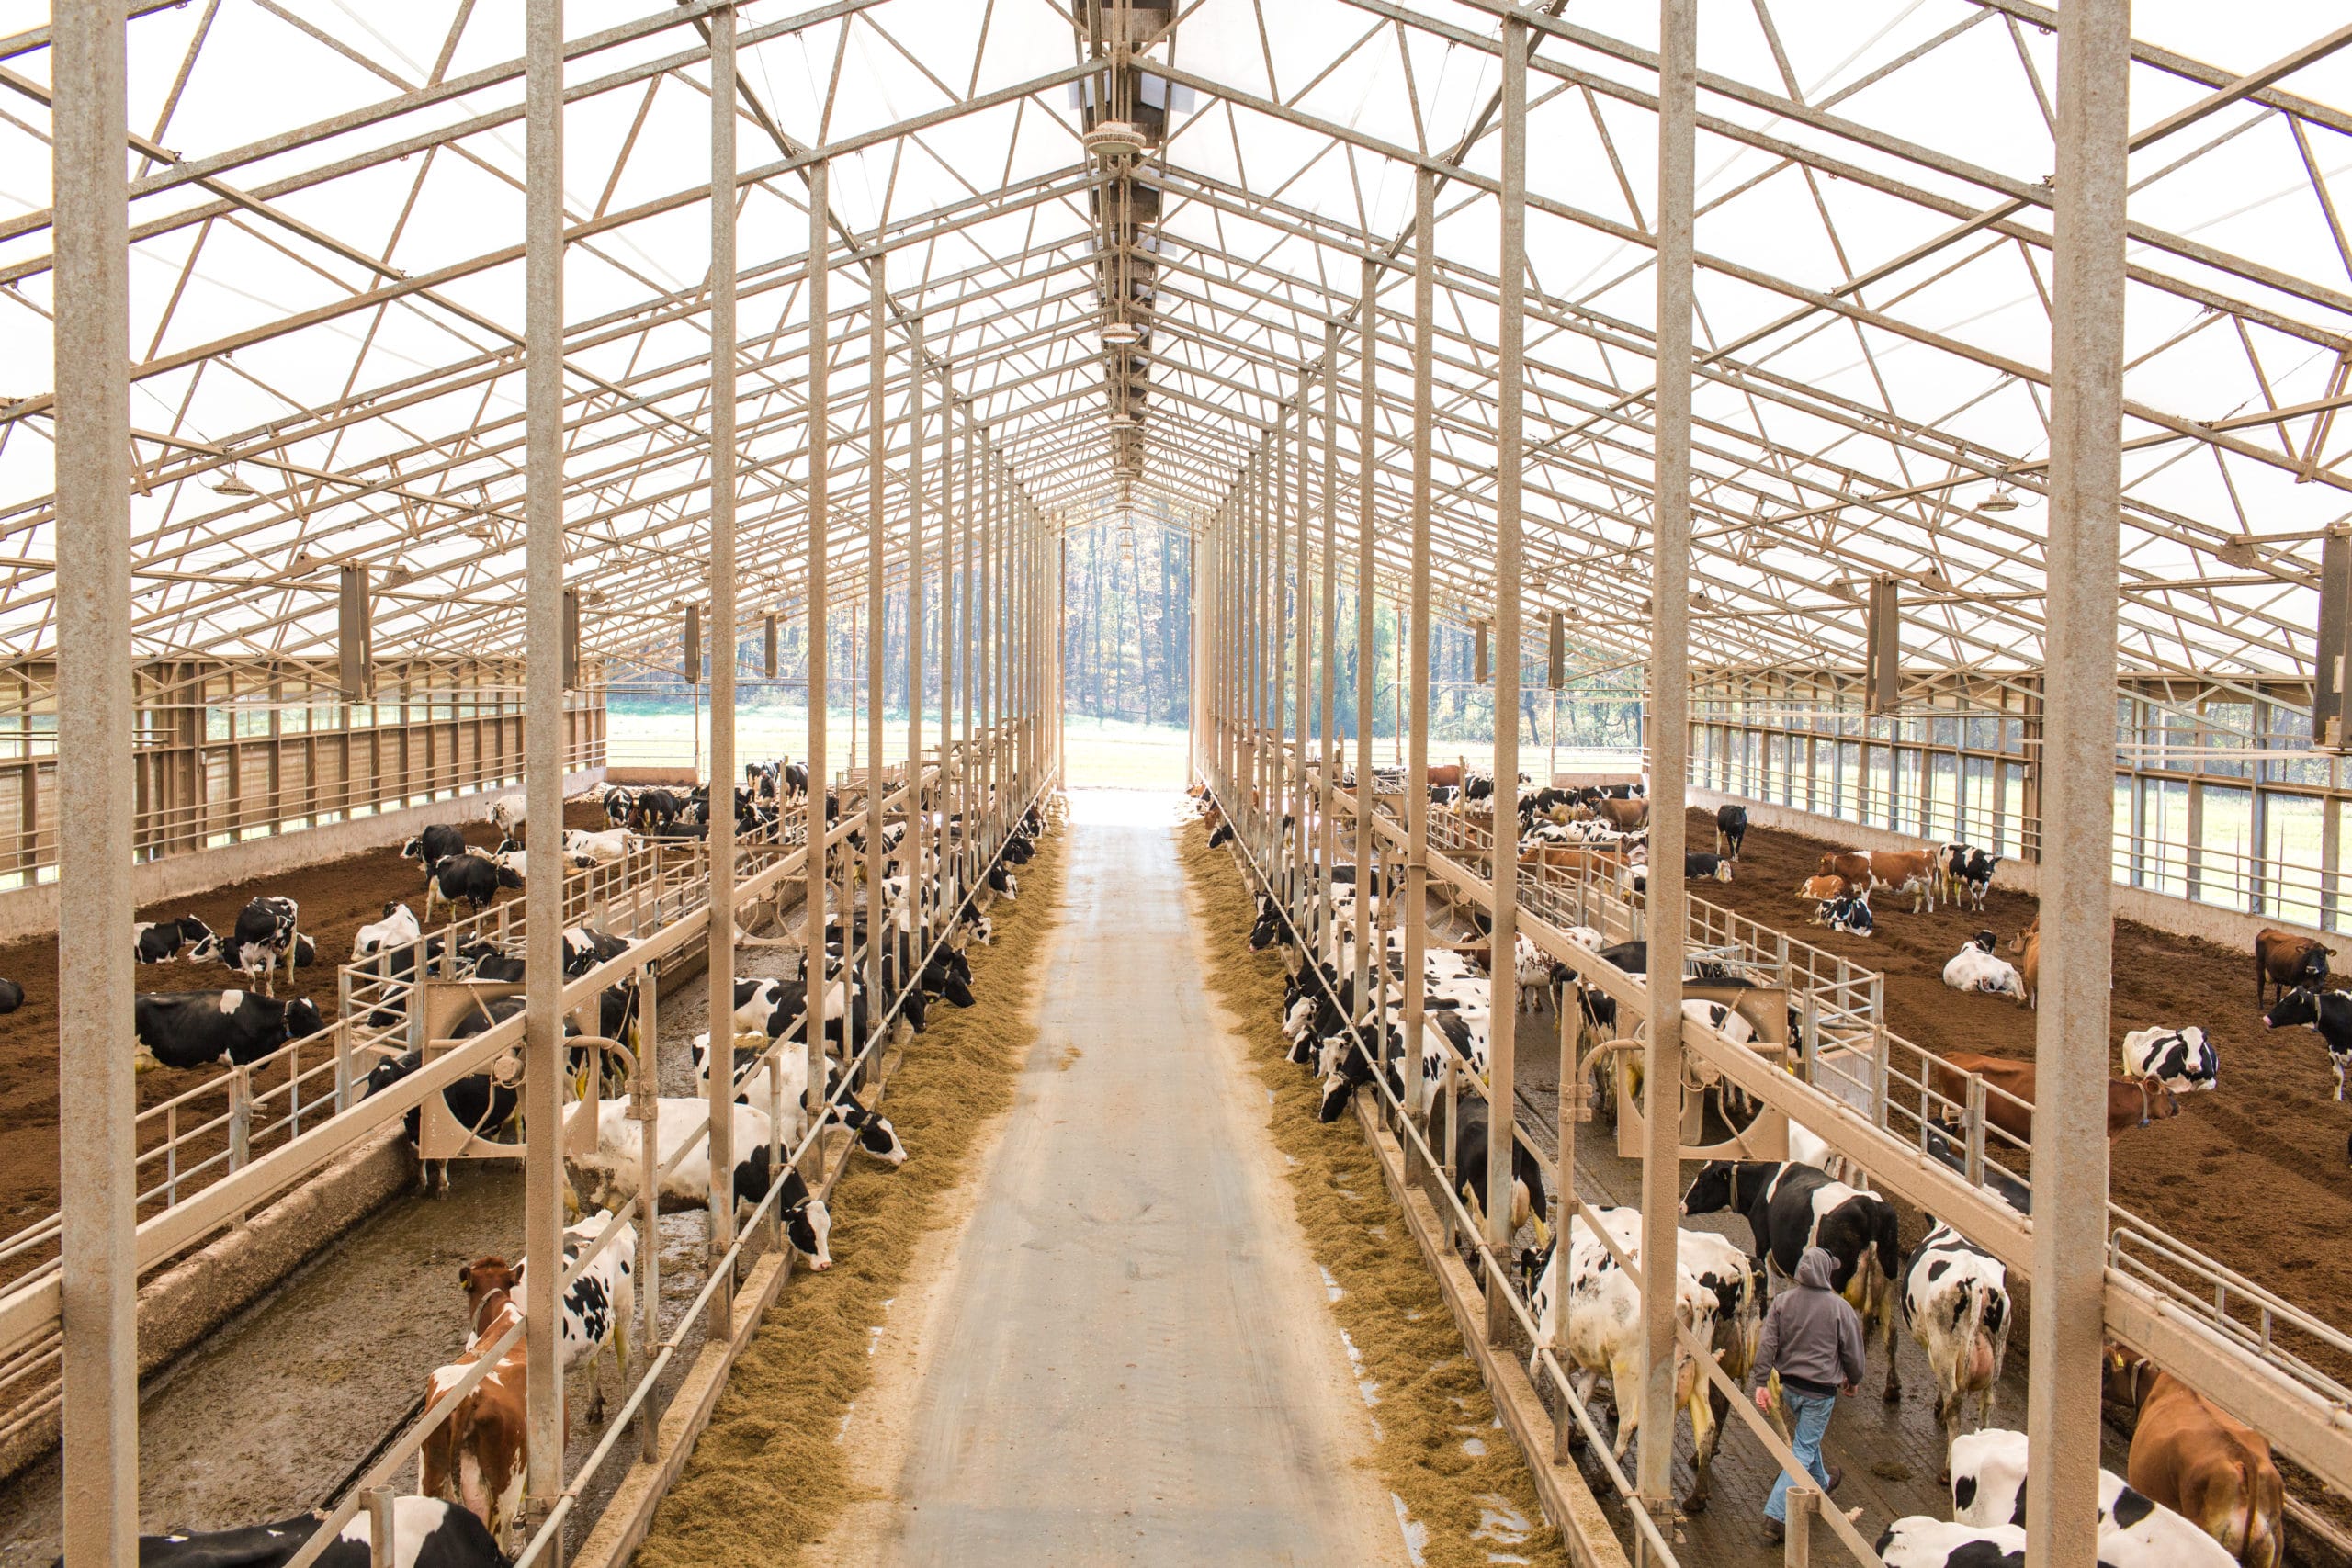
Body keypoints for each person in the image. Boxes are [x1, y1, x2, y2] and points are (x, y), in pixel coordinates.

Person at [1750, 1245, 1865, 1543]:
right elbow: (1853, 1353)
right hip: (1820, 1393)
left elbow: (1767, 1345)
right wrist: (1853, 1380)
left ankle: (1822, 1482)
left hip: (1790, 1388)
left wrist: (1761, 1380)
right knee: (1801, 1450)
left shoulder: (1782, 1302)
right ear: (1827, 1272)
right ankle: (1776, 1516)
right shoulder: (1840, 1308)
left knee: (1806, 1440)